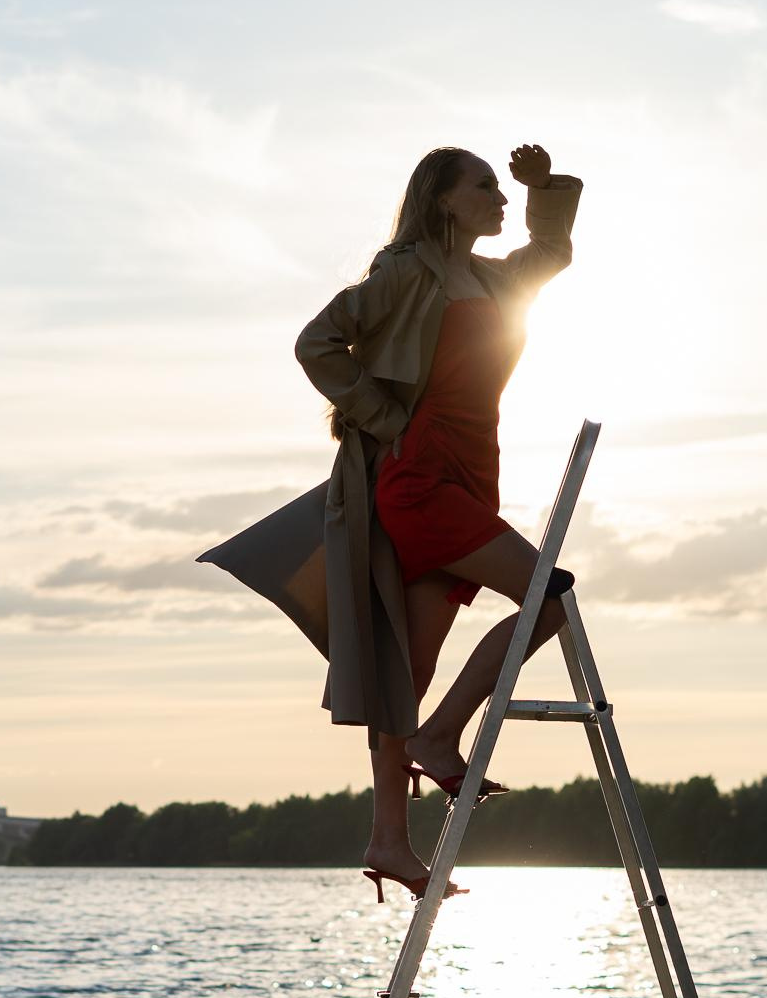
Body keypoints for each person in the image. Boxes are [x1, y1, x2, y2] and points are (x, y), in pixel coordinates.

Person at [200, 144, 584, 899]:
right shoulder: (404, 272)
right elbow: (317, 343)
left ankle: (388, 837)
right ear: (442, 198)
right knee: (550, 595)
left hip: (471, 478)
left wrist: (544, 188)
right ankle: (441, 736)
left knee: (406, 667)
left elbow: (551, 251)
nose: (499, 198)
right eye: (485, 187)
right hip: (420, 478)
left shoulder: (494, 279)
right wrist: (381, 418)